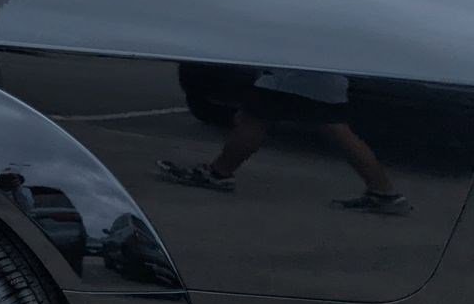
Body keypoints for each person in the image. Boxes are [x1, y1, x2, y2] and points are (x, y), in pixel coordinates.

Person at [160, 68, 412, 216]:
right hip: (318, 73)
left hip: (298, 74)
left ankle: (219, 173)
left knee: (254, 119)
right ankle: (384, 191)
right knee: (333, 127)